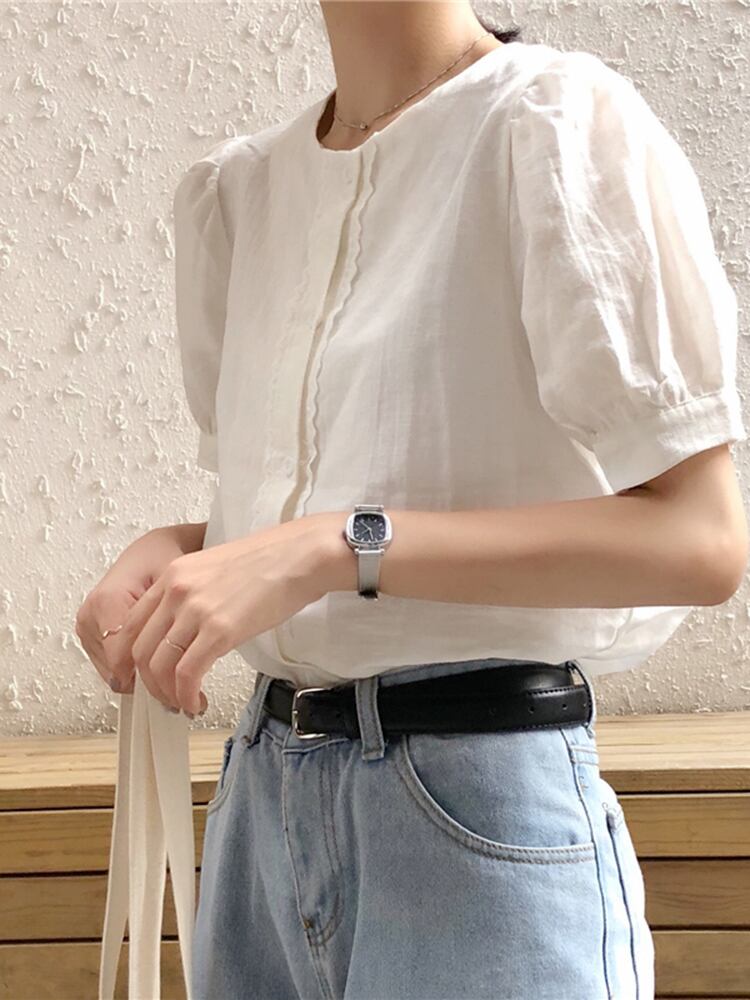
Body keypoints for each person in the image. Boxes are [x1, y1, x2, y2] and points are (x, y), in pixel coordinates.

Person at [82, 2, 748, 998]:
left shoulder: (550, 126)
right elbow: (316, 511)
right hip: (262, 805)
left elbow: (700, 541)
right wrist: (184, 546)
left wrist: (328, 546)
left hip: (470, 807)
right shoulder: (245, 193)